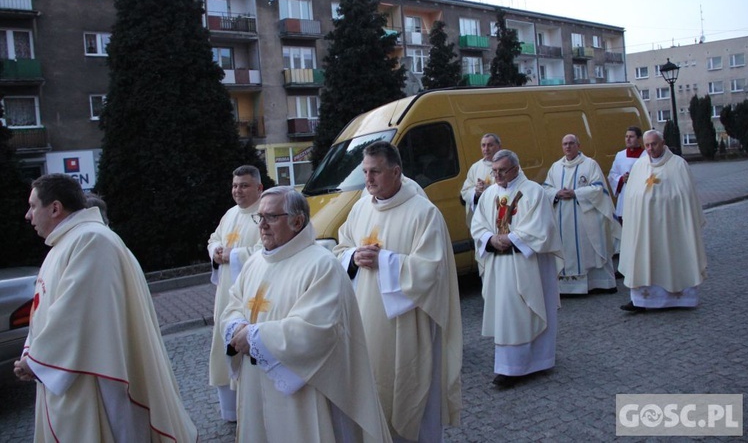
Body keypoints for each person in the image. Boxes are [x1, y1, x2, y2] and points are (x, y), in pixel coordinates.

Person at [14, 174, 196, 442]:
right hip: (66, 368)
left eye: (32, 206)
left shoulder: (91, 241)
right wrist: (30, 352)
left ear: (54, 208)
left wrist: (37, 360)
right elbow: (43, 310)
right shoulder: (63, 244)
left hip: (95, 376)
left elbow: (75, 315)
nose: (28, 215)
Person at [221, 186, 391, 442]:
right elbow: (233, 304)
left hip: (304, 392)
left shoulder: (321, 265)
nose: (262, 225)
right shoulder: (255, 262)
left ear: (297, 221)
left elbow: (317, 330)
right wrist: (235, 328)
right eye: (260, 217)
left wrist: (255, 337)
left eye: (271, 217)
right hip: (256, 385)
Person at [335, 141, 462, 442]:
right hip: (365, 317)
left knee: (409, 389)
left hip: (407, 323)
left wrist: (386, 262)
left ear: (396, 171)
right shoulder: (360, 207)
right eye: (365, 172)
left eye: (375, 172)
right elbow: (341, 246)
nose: (368, 179)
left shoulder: (423, 213)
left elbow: (432, 270)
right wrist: (353, 257)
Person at [471, 150, 563, 388]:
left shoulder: (534, 192)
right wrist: (491, 239)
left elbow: (541, 228)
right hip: (499, 264)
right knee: (506, 313)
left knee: (526, 308)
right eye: (494, 171)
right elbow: (478, 225)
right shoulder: (490, 194)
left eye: (502, 170)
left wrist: (511, 239)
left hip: (526, 264)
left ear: (516, 168)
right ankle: (509, 365)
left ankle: (537, 361)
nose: (498, 175)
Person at [619, 130, 708, 312]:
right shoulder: (639, 166)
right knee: (644, 258)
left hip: (672, 226)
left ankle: (681, 299)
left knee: (673, 258)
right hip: (645, 227)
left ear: (663, 143)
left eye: (654, 144)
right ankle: (642, 301)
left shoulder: (678, 165)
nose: (651, 148)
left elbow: (686, 196)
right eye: (647, 145)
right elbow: (631, 196)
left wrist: (663, 200)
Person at [206, 165, 263, 422]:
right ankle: (231, 410)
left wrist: (235, 254)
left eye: (244, 185)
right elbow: (214, 238)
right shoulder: (229, 214)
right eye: (235, 185)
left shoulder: (266, 213)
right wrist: (216, 250)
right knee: (223, 346)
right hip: (225, 295)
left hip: (253, 296)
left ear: (259, 188)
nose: (237, 191)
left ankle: (253, 408)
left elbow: (269, 251)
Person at [542, 134, 620, 294]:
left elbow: (599, 189)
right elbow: (545, 188)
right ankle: (567, 288)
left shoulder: (590, 165)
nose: (568, 147)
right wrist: (557, 193)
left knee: (591, 249)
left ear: (578, 145)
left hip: (586, 217)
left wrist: (576, 193)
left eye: (571, 143)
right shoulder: (556, 167)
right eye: (565, 144)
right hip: (562, 218)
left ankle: (598, 283)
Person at [460, 133, 502, 228]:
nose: (486, 149)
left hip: (501, 216)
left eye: (490, 145)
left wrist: (489, 189)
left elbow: (514, 188)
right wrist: (476, 192)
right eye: (483, 145)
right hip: (482, 219)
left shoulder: (509, 164)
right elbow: (465, 191)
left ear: (499, 147)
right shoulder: (475, 167)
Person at [608, 126, 645, 223]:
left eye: (631, 137)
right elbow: (612, 175)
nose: (628, 139)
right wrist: (621, 179)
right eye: (626, 136)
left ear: (639, 139)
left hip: (639, 196)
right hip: (624, 196)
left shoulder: (646, 155)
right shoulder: (620, 155)